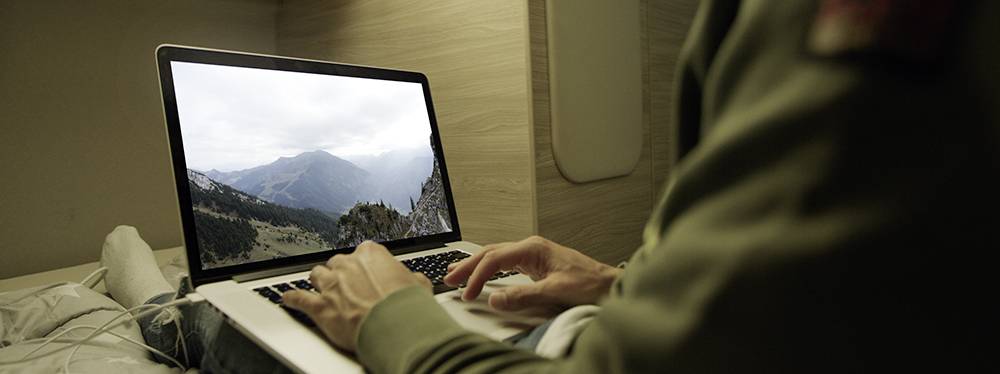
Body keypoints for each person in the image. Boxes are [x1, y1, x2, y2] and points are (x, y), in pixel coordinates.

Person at [107, 0, 997, 372]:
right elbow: (810, 291)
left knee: (208, 319)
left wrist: (390, 319)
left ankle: (153, 292)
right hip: (584, 319)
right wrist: (626, 282)